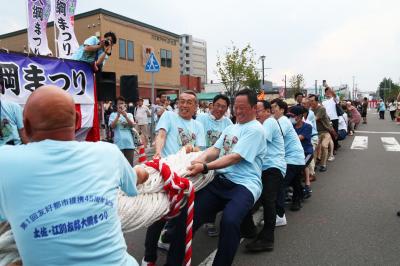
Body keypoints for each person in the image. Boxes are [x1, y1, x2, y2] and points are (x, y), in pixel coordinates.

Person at [0, 86, 148, 265]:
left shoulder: (5, 162)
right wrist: (140, 171)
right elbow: (135, 183)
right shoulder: (107, 152)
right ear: (78, 120)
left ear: (27, 125)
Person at [164, 89, 266, 266]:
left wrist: (204, 167)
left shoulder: (256, 130)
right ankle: (172, 262)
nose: (239, 111)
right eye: (236, 107)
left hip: (244, 185)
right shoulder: (230, 127)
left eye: (243, 108)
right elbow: (215, 150)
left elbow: (234, 157)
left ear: (253, 108)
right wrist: (197, 160)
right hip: (220, 182)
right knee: (186, 216)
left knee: (230, 220)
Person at [142, 90, 205, 266]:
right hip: (167, 175)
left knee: (179, 216)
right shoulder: (169, 116)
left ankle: (167, 240)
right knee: (158, 216)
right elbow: (161, 135)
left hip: (185, 178)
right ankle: (148, 257)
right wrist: (158, 152)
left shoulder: (198, 126)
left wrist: (192, 150)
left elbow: (200, 149)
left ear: (195, 106)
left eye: (189, 102)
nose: (184, 105)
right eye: (182, 101)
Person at [244, 100, 286, 252]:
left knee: (268, 201)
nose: (256, 113)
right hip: (267, 167)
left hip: (272, 167)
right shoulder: (264, 124)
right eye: (255, 110)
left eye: (259, 111)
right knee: (254, 198)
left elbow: (257, 143)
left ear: (268, 111)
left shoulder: (269, 122)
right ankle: (249, 229)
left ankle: (268, 239)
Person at [196, 94, 232, 237]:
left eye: (223, 107)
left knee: (214, 190)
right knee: (202, 191)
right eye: (217, 105)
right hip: (203, 160)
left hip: (220, 163)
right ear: (212, 104)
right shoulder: (202, 119)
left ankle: (210, 221)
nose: (219, 109)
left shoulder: (228, 123)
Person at [270, 98, 305, 213]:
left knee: (281, 184)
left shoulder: (283, 121)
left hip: (293, 158)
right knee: (295, 181)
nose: (272, 109)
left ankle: (279, 213)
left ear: (281, 110)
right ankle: (298, 199)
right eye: (271, 107)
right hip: (296, 158)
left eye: (274, 107)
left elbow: (277, 136)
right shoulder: (280, 121)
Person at [289, 106, 314, 199]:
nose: (291, 118)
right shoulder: (291, 126)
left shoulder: (307, 126)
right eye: (290, 116)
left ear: (300, 116)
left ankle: (306, 186)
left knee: (300, 167)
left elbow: (298, 138)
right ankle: (299, 189)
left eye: (293, 116)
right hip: (295, 154)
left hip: (307, 152)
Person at [308, 94, 336, 172]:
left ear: (317, 101)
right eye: (309, 101)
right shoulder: (309, 110)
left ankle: (323, 165)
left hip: (325, 131)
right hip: (316, 133)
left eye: (312, 101)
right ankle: (314, 165)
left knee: (324, 146)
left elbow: (315, 119)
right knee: (314, 149)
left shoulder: (321, 109)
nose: (310, 102)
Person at [109, 96, 136, 166]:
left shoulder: (129, 115)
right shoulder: (113, 115)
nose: (121, 105)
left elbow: (132, 125)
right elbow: (112, 126)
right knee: (119, 165)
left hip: (129, 144)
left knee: (129, 165)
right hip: (118, 144)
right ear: (116, 105)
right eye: (119, 104)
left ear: (125, 105)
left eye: (122, 103)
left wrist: (125, 116)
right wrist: (118, 116)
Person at [301, 98, 318, 182]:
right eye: (302, 103)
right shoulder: (304, 113)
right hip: (307, 137)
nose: (302, 105)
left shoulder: (310, 114)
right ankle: (307, 174)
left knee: (309, 154)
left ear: (309, 105)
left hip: (312, 137)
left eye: (304, 104)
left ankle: (312, 174)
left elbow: (304, 125)